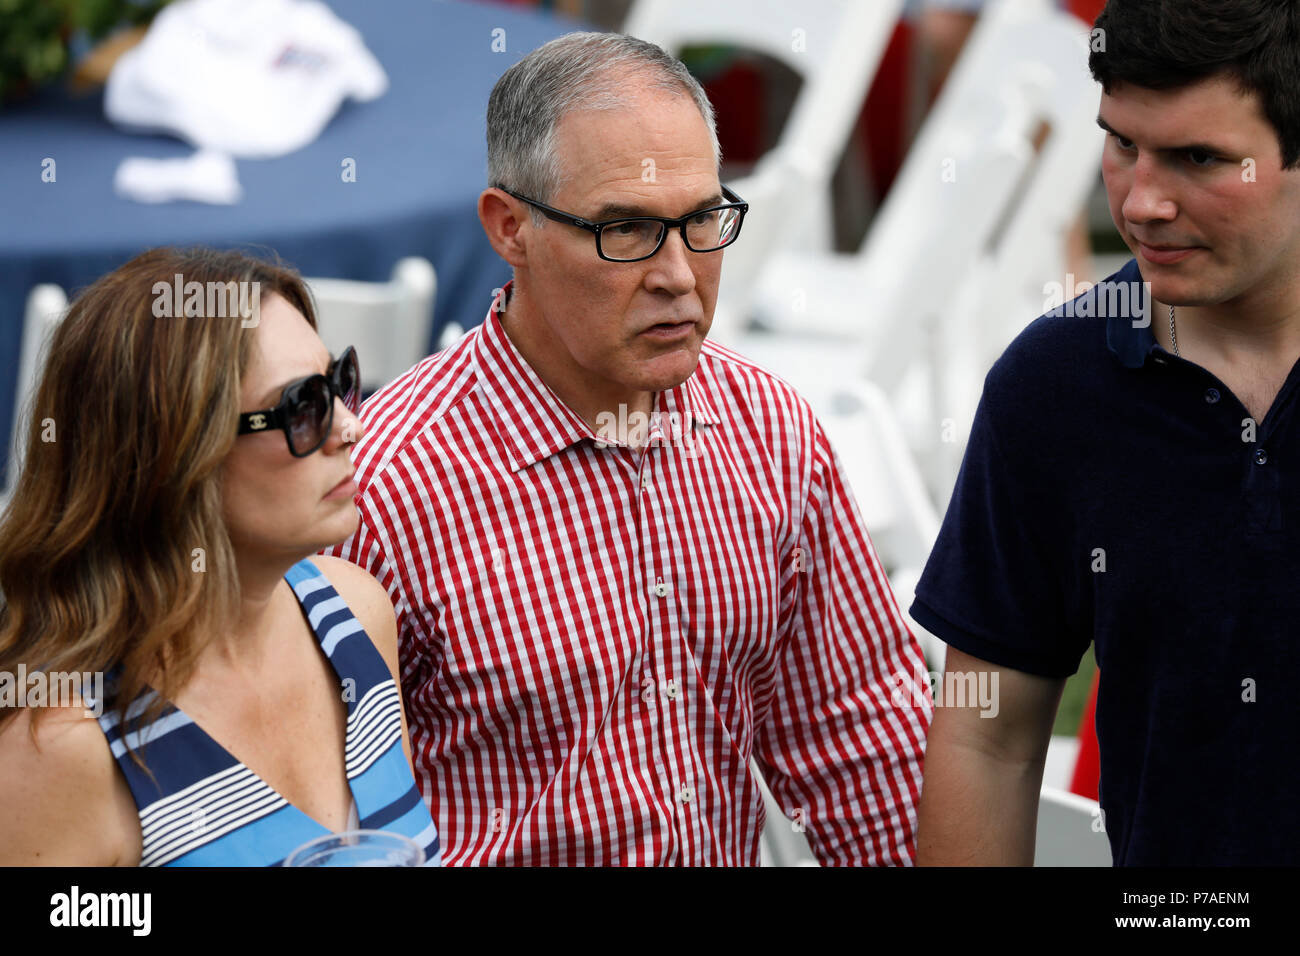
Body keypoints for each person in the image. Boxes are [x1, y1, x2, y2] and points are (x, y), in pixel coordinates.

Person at [322, 31, 931, 866]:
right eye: (628, 232)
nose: (680, 274)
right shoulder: (384, 490)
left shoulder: (771, 433)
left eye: (704, 219)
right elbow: (311, 819)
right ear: (510, 228)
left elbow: (862, 749)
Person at [912, 0, 1300, 865]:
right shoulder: (1052, 389)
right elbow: (987, 734)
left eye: (1197, 158)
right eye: (1122, 144)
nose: (1142, 201)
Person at [0, 247, 440, 866]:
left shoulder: (355, 614)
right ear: (176, 454)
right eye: (302, 407)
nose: (349, 426)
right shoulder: (62, 748)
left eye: (339, 382)